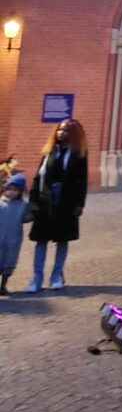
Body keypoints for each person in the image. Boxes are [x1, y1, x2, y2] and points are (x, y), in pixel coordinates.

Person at [26, 118, 88, 292]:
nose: (61, 133)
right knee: (41, 239)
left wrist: (80, 203)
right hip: (45, 200)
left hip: (66, 200)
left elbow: (82, 180)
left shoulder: (78, 154)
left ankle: (56, 275)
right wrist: (33, 200)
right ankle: (36, 278)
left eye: (66, 130)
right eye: (60, 130)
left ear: (73, 134)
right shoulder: (50, 151)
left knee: (62, 238)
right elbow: (38, 177)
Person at [0, 173, 32, 294]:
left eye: (15, 190)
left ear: (20, 192)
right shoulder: (1, 204)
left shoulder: (23, 206)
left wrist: (33, 213)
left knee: (9, 262)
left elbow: (25, 218)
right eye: (10, 189)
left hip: (13, 240)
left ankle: (3, 285)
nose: (12, 192)